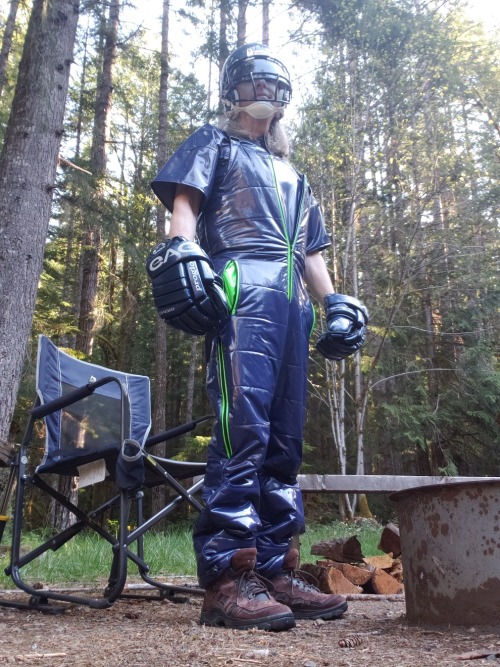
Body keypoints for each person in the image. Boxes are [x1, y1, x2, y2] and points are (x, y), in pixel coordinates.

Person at [147, 43, 368, 632]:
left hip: (292, 303)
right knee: (241, 426)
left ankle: (273, 570)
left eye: (274, 84)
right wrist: (183, 249)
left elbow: (310, 252)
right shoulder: (212, 143)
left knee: (285, 438)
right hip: (239, 284)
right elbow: (186, 205)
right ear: (234, 92)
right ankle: (227, 577)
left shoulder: (297, 174)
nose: (264, 93)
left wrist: (333, 303)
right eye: (254, 83)